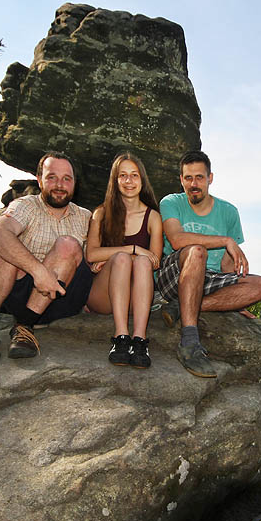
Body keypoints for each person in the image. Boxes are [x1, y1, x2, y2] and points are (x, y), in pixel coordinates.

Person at [0, 152, 93, 369]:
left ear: (75, 183)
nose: (60, 185)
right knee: (0, 249)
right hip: (23, 295)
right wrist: (39, 272)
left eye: (67, 179)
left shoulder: (86, 216)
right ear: (39, 180)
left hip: (64, 298)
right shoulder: (25, 205)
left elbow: (92, 258)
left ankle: (24, 328)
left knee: (67, 245)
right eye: (52, 177)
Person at [158, 150, 261, 378]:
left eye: (199, 177)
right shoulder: (171, 202)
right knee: (197, 251)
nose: (194, 184)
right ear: (181, 180)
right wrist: (225, 240)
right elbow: (176, 240)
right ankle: (189, 342)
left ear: (210, 178)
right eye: (188, 178)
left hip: (209, 278)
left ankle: (182, 306)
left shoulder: (228, 212)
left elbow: (228, 263)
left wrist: (235, 299)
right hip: (174, 274)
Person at [84, 152, 163, 367]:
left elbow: (154, 260)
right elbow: (91, 254)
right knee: (121, 259)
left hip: (135, 300)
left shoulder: (153, 217)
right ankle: (120, 338)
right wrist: (133, 249)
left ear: (142, 179)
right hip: (103, 296)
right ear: (115, 180)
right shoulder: (101, 213)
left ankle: (139, 340)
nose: (129, 181)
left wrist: (111, 255)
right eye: (123, 175)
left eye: (134, 175)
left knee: (143, 262)